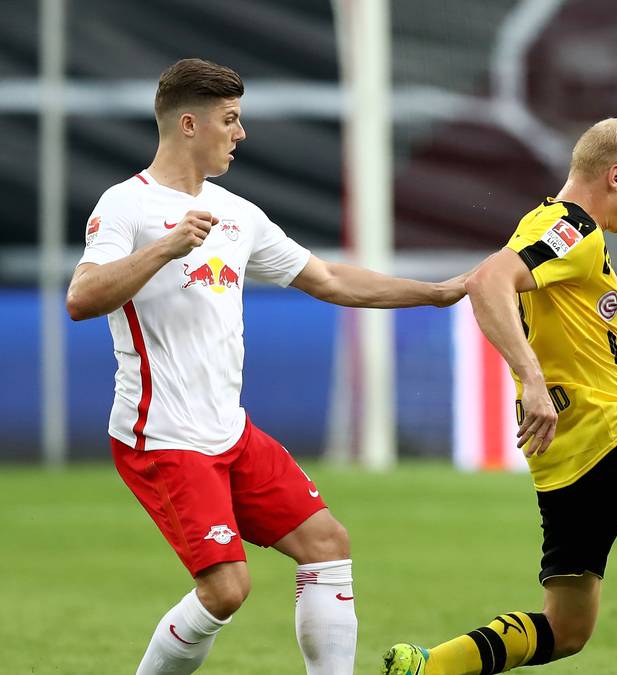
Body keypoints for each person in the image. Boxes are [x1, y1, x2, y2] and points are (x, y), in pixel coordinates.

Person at [66, 58, 468, 675]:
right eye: (230, 120)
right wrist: (167, 246)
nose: (241, 133)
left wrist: (436, 293)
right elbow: (82, 298)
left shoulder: (237, 213)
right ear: (190, 124)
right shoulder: (127, 205)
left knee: (327, 545)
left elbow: (329, 278)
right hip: (164, 437)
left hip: (230, 431)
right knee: (226, 591)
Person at [381, 118, 617, 675]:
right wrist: (531, 379)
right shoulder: (572, 228)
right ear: (615, 175)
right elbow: (489, 281)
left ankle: (428, 668)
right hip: (613, 439)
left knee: (566, 629)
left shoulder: (555, 230)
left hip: (565, 461)